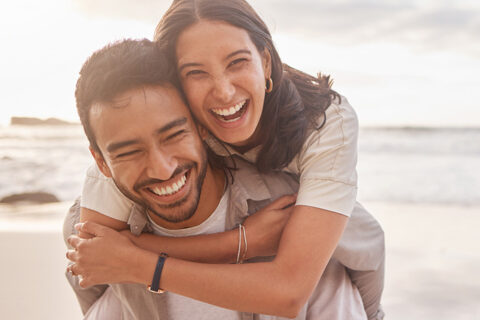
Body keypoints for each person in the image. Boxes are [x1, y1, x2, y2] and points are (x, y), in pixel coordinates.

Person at [68, 0, 385, 318]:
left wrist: (143, 264)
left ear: (265, 61)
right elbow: (95, 254)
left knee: (353, 237)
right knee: (76, 222)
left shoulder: (326, 122)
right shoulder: (155, 130)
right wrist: (240, 241)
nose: (223, 92)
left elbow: (290, 290)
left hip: (316, 214)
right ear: (176, 83)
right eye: (196, 72)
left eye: (237, 62)